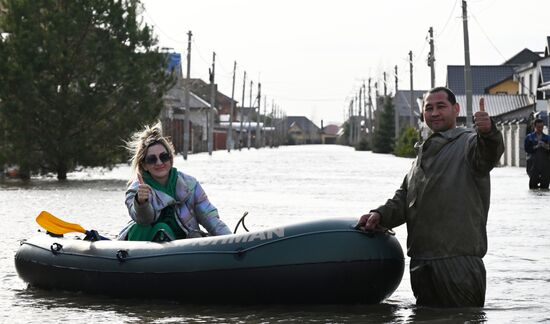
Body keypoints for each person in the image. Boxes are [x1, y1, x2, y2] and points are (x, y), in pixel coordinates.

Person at [356, 87, 504, 308]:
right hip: (421, 263)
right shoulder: (421, 156)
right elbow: (404, 200)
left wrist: (489, 132)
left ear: (456, 109)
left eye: (441, 107)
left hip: (458, 264)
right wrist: (379, 215)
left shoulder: (470, 143)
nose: (434, 113)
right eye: (429, 108)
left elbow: (489, 153)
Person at [118, 122, 231, 241]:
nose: (159, 163)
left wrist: (231, 241)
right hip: (147, 242)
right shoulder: (136, 189)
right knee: (154, 228)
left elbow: (210, 218)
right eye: (152, 159)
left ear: (171, 159)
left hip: (184, 243)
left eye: (164, 157)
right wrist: (141, 203)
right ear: (144, 165)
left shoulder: (191, 184)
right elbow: (143, 220)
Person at [524, 118, 550, 189]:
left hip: (545, 165)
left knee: (545, 187)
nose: (540, 129)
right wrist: (536, 146)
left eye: (541, 127)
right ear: (534, 126)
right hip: (533, 164)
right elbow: (527, 149)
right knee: (533, 187)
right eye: (538, 127)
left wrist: (546, 146)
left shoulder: (547, 138)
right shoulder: (529, 137)